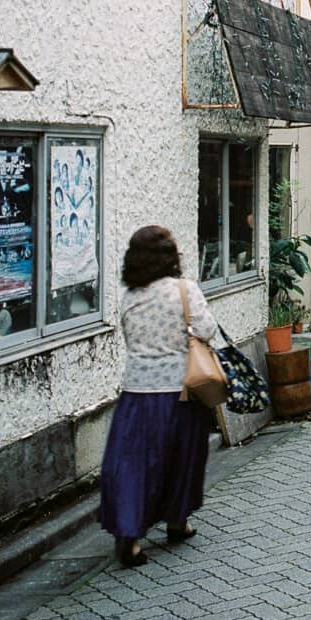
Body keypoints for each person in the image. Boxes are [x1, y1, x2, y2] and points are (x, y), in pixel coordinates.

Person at [98, 225, 219, 568]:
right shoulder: (184, 291)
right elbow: (207, 330)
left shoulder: (130, 297)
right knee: (183, 459)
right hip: (180, 392)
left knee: (135, 465)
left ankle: (130, 537)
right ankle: (177, 522)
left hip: (136, 392)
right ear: (170, 257)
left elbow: (129, 337)